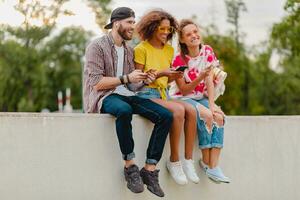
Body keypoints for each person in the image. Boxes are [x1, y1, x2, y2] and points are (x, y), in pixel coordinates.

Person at [83, 7, 173, 197]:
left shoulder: (129, 50)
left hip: (128, 94)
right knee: (123, 111)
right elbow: (96, 83)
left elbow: (133, 87)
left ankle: (149, 169)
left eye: (134, 22)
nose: (133, 26)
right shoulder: (97, 47)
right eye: (130, 22)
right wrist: (126, 78)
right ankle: (130, 167)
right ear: (117, 23)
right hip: (105, 96)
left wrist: (144, 80)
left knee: (165, 116)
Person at [134, 10, 199, 185]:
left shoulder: (169, 50)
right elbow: (137, 83)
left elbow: (166, 79)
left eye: (168, 29)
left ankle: (188, 160)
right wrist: (161, 72)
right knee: (178, 110)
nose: (166, 33)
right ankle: (174, 161)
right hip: (145, 94)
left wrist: (175, 75)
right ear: (152, 28)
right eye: (161, 29)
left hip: (164, 94)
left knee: (191, 110)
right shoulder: (141, 49)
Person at [169, 19, 230, 183]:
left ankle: (212, 166)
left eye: (195, 32)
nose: (194, 36)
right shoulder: (178, 60)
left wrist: (212, 104)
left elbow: (209, 80)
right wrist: (200, 77)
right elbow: (184, 89)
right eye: (188, 34)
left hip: (200, 97)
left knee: (218, 116)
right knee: (207, 116)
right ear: (182, 40)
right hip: (182, 98)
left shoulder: (207, 51)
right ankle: (206, 161)